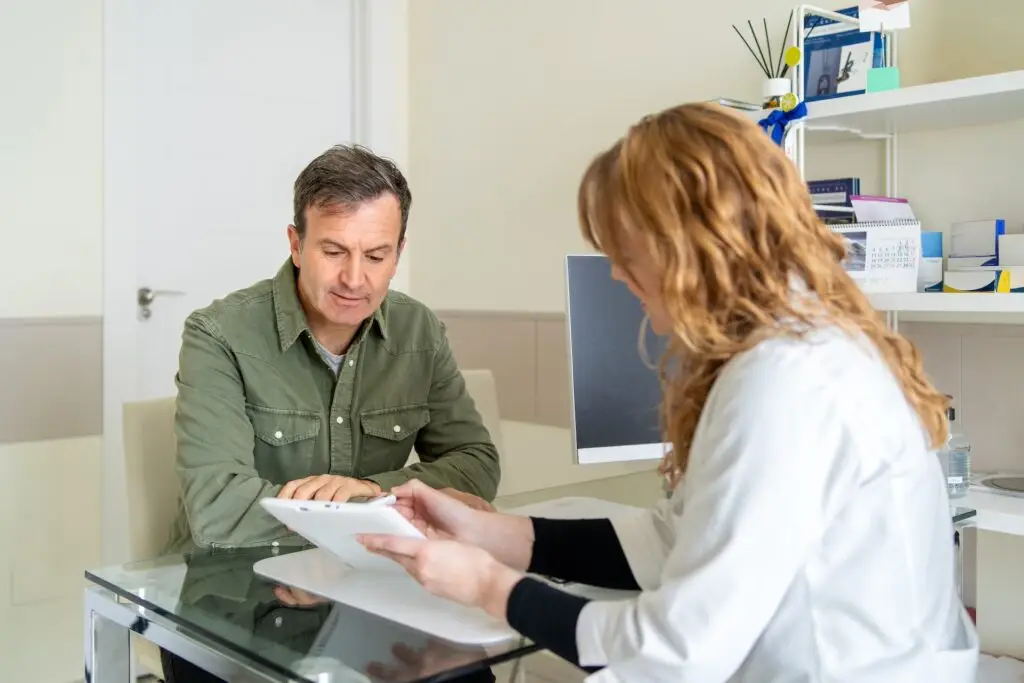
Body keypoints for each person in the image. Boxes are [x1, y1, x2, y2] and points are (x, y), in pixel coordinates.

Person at [358, 103, 980, 682]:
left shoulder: (787, 380)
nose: (619, 274)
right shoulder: (785, 347)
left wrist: (491, 588)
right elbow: (673, 541)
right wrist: (487, 534)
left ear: (689, 243)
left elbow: (680, 647)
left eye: (625, 251)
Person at [167, 143, 501, 555]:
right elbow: (219, 509)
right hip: (237, 582)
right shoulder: (218, 335)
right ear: (296, 245)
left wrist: (373, 489)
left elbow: (477, 464)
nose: (354, 279)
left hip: (368, 575)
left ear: (398, 255)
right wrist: (379, 508)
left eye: (376, 256)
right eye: (333, 252)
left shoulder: (419, 330)